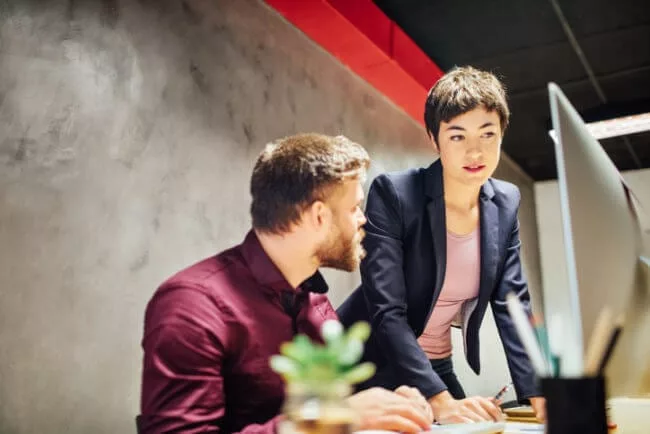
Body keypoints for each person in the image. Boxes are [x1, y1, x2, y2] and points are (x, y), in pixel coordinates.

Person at [138, 133, 433, 433]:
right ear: (319, 216)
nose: (363, 220)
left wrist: (393, 407)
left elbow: (327, 410)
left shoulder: (314, 301)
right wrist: (327, 420)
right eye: (354, 207)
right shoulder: (191, 307)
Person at [337, 66, 546, 424]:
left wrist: (540, 395)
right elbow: (387, 310)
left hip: (436, 364)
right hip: (372, 364)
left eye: (488, 133)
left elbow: (513, 304)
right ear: (434, 139)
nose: (475, 151)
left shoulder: (506, 201)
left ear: (502, 136)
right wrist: (440, 401)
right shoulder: (395, 194)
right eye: (457, 136)